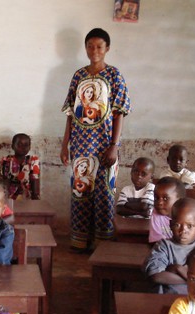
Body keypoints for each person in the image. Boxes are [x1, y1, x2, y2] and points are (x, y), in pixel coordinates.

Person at [60, 27, 131, 251]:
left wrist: (114, 146)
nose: (94, 51)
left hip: (105, 147)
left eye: (99, 46)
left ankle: (103, 245)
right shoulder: (78, 76)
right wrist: (65, 144)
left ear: (107, 48)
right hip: (80, 146)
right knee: (80, 193)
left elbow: (119, 113)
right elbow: (71, 113)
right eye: (90, 46)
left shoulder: (114, 75)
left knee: (105, 195)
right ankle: (80, 241)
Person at [144, 198, 195, 294]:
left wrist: (177, 269)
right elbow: (156, 276)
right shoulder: (164, 246)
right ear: (170, 225)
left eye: (189, 226)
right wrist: (192, 279)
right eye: (177, 225)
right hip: (165, 298)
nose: (183, 230)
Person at [1, 133, 40, 200]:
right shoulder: (7, 160)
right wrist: (5, 196)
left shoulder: (33, 160)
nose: (23, 147)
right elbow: (5, 180)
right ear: (13, 146)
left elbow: (34, 179)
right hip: (10, 195)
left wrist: (35, 196)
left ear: (30, 147)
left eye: (26, 145)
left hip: (28, 195)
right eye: (19, 144)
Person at [148, 177, 186, 243]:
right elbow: (156, 241)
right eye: (156, 198)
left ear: (179, 200)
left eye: (165, 198)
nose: (159, 202)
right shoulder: (156, 214)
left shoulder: (188, 215)